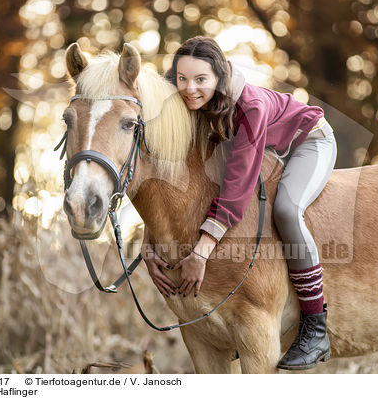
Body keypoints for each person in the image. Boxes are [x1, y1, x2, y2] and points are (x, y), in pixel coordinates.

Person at [141, 36, 337, 370]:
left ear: (219, 76)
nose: (190, 89)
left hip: (309, 141)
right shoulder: (188, 101)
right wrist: (149, 241)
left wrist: (201, 252)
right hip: (266, 150)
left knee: (287, 210)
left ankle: (315, 325)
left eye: (201, 79)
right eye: (182, 79)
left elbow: (238, 186)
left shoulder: (251, 107)